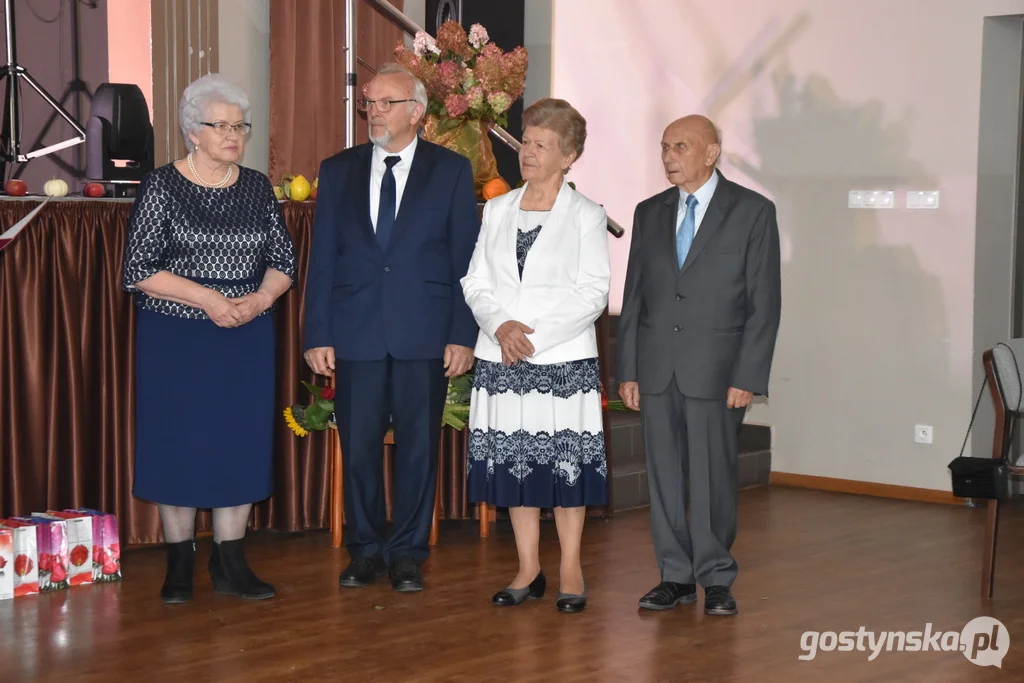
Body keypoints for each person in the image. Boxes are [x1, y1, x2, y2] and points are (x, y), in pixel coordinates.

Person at [303, 63, 480, 592]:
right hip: (355, 333)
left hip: (423, 333)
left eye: (385, 103)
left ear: (417, 113)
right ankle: (365, 549)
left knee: (418, 449)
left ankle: (406, 551)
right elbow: (323, 261)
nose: (373, 112)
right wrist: (318, 332)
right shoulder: (338, 170)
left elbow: (465, 262)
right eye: (369, 104)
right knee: (357, 447)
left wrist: (462, 333)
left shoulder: (450, 171)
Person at [122, 73, 295, 604]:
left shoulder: (256, 186)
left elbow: (283, 262)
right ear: (191, 132)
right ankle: (179, 563)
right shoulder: (161, 186)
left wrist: (260, 300)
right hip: (177, 337)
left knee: (237, 443)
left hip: (244, 336)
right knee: (178, 443)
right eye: (219, 126)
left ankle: (231, 561)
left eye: (239, 125)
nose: (233, 135)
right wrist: (210, 299)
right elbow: (139, 268)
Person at [617, 114, 781, 616]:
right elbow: (635, 296)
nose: (669, 156)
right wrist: (628, 369)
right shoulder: (649, 212)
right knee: (664, 476)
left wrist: (748, 376)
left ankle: (716, 576)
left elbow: (764, 302)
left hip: (717, 371)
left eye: (681, 146)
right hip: (657, 367)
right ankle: (675, 576)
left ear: (711, 153)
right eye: (665, 146)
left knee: (712, 478)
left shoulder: (753, 211)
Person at [461, 98, 611, 614]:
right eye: (526, 141)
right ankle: (528, 567)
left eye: (540, 144)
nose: (527, 152)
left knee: (566, 468)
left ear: (568, 157)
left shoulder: (588, 216)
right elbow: (475, 279)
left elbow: (593, 293)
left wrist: (532, 338)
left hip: (561, 362)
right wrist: (499, 326)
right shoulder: (499, 208)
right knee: (516, 467)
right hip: (500, 356)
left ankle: (571, 566)